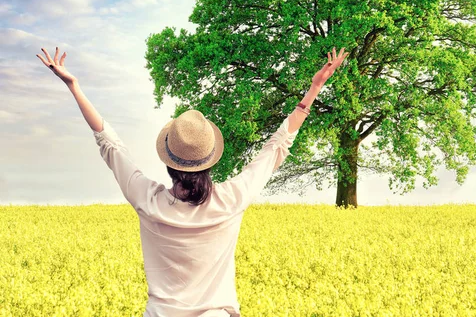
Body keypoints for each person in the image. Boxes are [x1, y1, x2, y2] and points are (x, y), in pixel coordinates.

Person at [36, 45, 349, 317]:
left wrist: (73, 86)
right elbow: (277, 146)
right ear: (210, 160)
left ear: (169, 162)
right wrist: (314, 88)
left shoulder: (148, 200)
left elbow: (109, 144)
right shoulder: (232, 199)